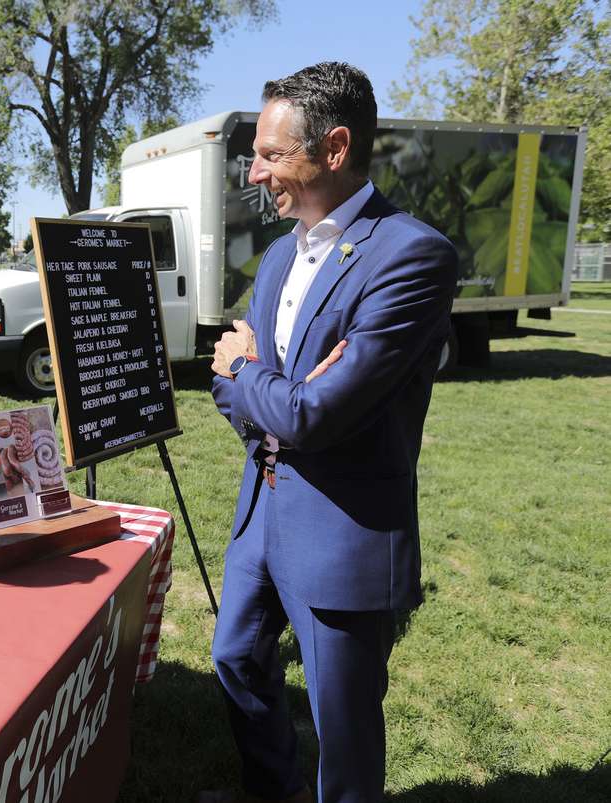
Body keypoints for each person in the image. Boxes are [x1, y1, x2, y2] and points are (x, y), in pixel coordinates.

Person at [202, 63, 457, 803]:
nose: (255, 172)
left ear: (335, 148)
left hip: (342, 533)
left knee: (343, 739)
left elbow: (316, 414)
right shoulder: (282, 251)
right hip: (263, 515)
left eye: (271, 154)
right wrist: (268, 386)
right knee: (236, 660)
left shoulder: (411, 255)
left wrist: (262, 385)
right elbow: (228, 375)